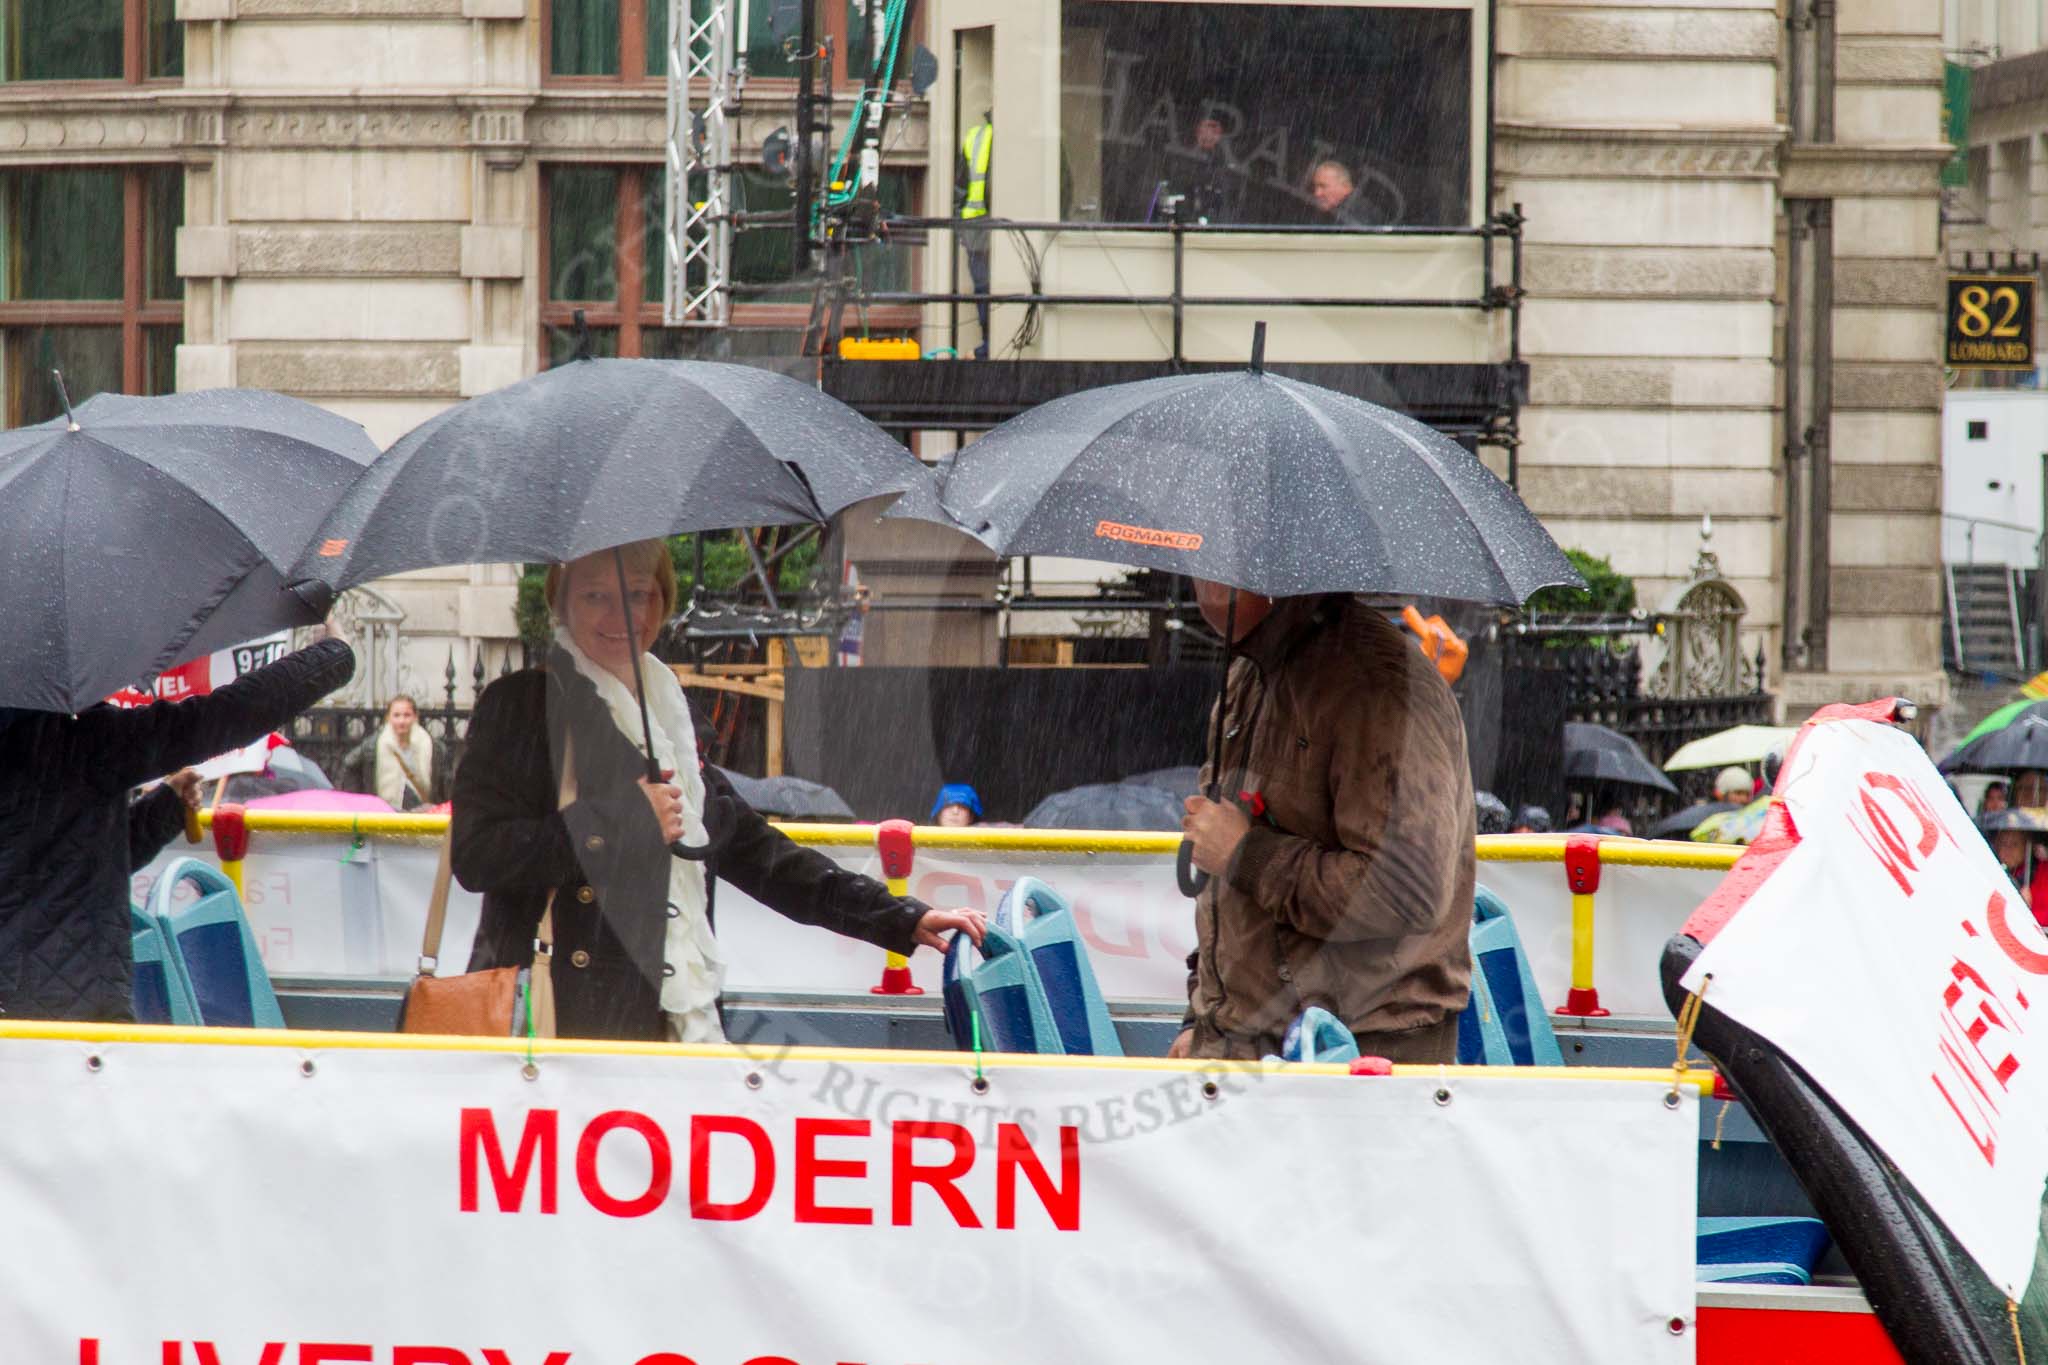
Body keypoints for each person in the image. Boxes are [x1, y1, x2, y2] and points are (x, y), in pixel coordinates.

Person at [453, 542, 986, 1042]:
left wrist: (902, 916)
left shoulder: (670, 720)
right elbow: (478, 856)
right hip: (553, 1031)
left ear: (661, 600)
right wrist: (617, 824)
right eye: (596, 596)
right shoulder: (523, 706)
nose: (622, 617)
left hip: (668, 1023)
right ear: (561, 600)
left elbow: (763, 856)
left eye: (638, 594)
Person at [1172, 583, 1474, 1063]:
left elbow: (1404, 892)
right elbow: (1228, 900)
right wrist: (1202, 1019)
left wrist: (1245, 854)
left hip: (1356, 1062)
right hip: (1254, 1050)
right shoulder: (1249, 673)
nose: (1200, 582)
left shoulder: (1377, 684)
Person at [0, 637, 355, 1021]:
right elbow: (219, 719)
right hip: (69, 1010)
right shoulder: (83, 740)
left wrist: (166, 806)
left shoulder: (61, 739)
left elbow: (75, 863)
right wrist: (331, 658)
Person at [341, 694, 445, 810]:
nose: (402, 721)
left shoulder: (432, 747)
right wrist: (360, 802)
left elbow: (443, 784)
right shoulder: (372, 745)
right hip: (385, 813)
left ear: (415, 717)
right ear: (388, 718)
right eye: (396, 715)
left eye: (407, 715)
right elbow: (350, 765)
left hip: (423, 812)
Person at [954, 111, 994, 359]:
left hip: (977, 228)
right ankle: (988, 344)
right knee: (986, 289)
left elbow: (959, 188)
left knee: (984, 288)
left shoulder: (977, 137)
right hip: (982, 228)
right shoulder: (980, 138)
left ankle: (988, 344)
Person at [1182, 112, 1239, 224]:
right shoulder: (1185, 162)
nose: (1208, 136)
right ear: (1197, 134)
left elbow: (1230, 196)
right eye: (1204, 132)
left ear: (1219, 135)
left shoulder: (1229, 162)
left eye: (1213, 132)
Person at [1308, 159, 1367, 225]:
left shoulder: (1358, 217)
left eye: (1323, 186)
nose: (1317, 193)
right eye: (1315, 187)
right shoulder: (1334, 212)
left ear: (1345, 187)